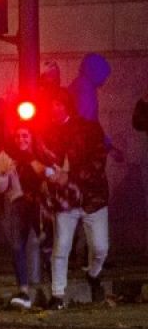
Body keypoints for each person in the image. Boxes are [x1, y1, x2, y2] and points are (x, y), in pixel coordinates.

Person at [36, 91, 110, 308]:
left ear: (67, 106)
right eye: (52, 105)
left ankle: (94, 274)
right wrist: (49, 174)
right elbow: (44, 160)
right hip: (66, 200)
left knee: (100, 247)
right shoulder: (48, 133)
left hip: (92, 199)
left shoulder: (89, 129)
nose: (54, 109)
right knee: (62, 246)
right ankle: (58, 294)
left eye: (58, 104)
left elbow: (98, 162)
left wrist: (71, 175)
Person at [0, 123, 47, 310]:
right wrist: (1, 173)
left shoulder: (39, 152)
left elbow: (48, 173)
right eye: (18, 136)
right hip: (18, 202)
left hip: (39, 203)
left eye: (25, 135)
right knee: (17, 245)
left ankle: (50, 286)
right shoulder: (6, 156)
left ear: (32, 137)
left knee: (45, 242)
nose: (21, 139)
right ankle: (23, 290)